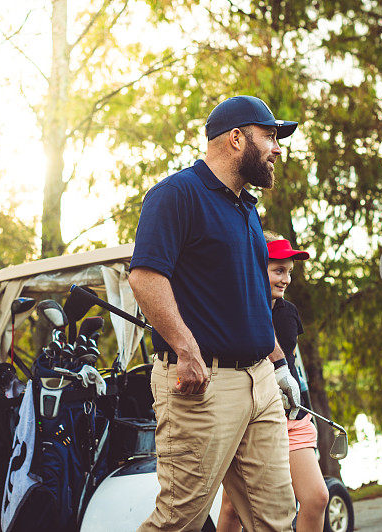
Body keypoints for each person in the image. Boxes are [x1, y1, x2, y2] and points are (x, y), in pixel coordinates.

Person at [128, 95, 302, 532]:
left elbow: (252, 298)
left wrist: (279, 365)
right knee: (179, 520)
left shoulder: (247, 208)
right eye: (270, 136)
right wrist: (186, 350)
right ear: (237, 138)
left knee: (277, 518)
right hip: (202, 386)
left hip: (260, 383)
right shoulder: (175, 195)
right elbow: (146, 278)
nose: (278, 149)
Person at [217, 233, 329, 532]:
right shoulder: (228, 308)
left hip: (290, 416)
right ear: (254, 267)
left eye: (289, 272)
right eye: (278, 270)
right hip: (247, 417)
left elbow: (290, 363)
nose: (286, 280)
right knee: (232, 508)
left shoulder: (288, 312)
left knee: (316, 498)